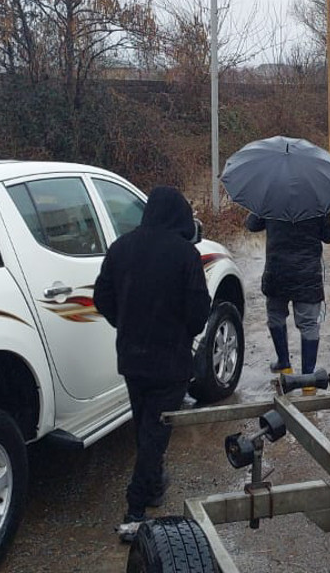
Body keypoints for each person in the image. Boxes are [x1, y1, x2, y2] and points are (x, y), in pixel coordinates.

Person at [94, 185, 210, 544]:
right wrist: (179, 332)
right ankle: (135, 511)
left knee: (146, 427)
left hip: (131, 358)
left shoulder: (120, 248)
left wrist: (126, 323)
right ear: (179, 216)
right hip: (169, 362)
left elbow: (102, 298)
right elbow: (198, 314)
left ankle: (155, 483)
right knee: (153, 435)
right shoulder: (185, 254)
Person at [245, 210, 330, 393]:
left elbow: (252, 224)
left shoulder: (271, 197)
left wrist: (260, 206)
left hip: (277, 272)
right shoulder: (317, 202)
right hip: (308, 276)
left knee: (276, 316)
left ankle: (284, 364)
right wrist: (327, 217)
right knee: (309, 324)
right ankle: (309, 380)